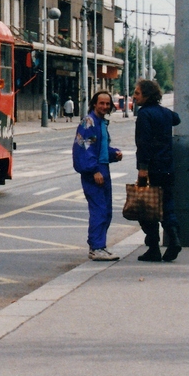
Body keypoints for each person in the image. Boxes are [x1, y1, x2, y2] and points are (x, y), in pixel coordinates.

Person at [133, 79, 182, 262]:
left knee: (146, 207)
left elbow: (143, 143)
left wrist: (143, 168)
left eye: (137, 93)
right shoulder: (164, 113)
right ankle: (174, 239)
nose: (134, 96)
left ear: (146, 95)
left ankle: (153, 247)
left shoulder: (144, 114)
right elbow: (177, 118)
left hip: (151, 168)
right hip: (167, 167)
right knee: (167, 204)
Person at [72, 91, 123, 261]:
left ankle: (99, 245)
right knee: (99, 209)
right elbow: (85, 149)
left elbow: (99, 148)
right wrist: (94, 170)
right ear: (94, 104)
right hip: (95, 172)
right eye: (101, 103)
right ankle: (96, 247)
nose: (105, 107)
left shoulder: (100, 123)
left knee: (106, 210)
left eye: (107, 104)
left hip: (102, 169)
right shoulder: (89, 123)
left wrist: (113, 153)